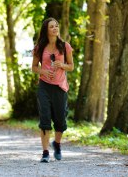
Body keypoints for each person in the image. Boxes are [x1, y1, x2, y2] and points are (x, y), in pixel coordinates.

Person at [31, 17, 74, 163]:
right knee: (45, 119)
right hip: (44, 86)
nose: (55, 28)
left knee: (60, 121)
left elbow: (71, 66)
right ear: (46, 30)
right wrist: (43, 71)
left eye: (56, 26)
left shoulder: (65, 46)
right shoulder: (40, 47)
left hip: (60, 87)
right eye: (51, 26)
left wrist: (61, 65)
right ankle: (45, 153)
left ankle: (57, 144)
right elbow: (34, 67)